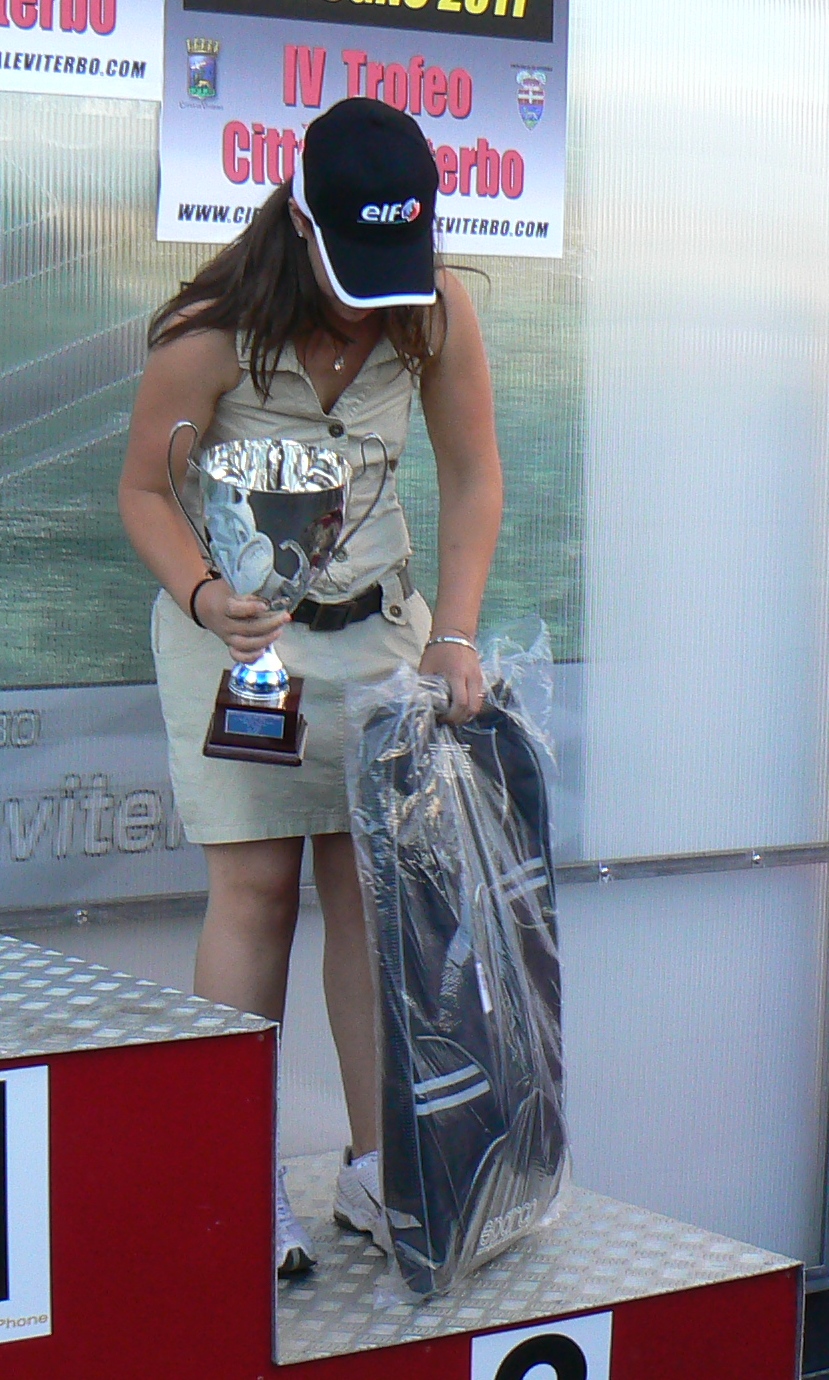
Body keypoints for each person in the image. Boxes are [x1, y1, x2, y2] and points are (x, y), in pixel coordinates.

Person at [119, 98, 503, 1274]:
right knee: (255, 895)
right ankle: (230, 1181)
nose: (370, 300)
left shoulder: (434, 308)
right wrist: (204, 598)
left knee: (370, 897)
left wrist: (455, 635)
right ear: (300, 221)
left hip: (379, 636)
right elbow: (143, 491)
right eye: (351, 271)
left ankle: (379, 1170)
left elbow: (473, 477)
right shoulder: (211, 335)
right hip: (245, 647)